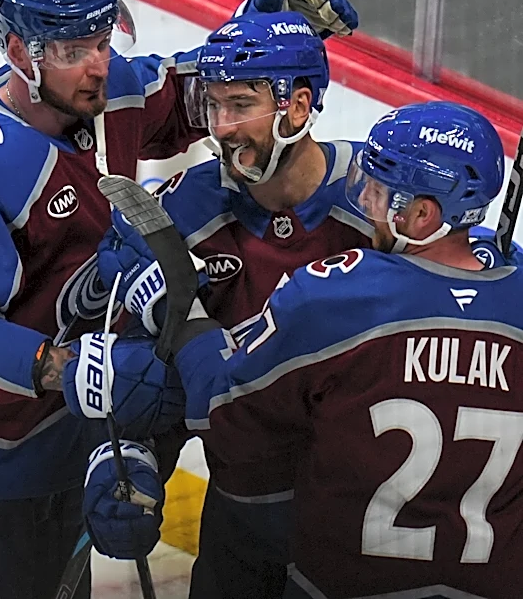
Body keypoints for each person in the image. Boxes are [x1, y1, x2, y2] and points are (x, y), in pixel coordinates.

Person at [0, 0, 358, 599]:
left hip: (57, 438)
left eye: (103, 40)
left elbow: (197, 96)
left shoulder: (106, 91)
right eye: (75, 52)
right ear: (20, 54)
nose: (100, 65)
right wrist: (69, 371)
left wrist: (261, 28)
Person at [84, 101, 523, 599]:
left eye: (378, 193)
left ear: (422, 215)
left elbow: (219, 409)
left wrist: (179, 306)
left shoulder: (337, 297)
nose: (366, 204)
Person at [70, 8, 374, 598]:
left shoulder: (377, 200)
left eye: (241, 106)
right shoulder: (176, 216)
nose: (223, 127)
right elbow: (138, 376)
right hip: (244, 526)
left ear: (299, 106)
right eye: (213, 107)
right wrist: (124, 465)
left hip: (364, 533)